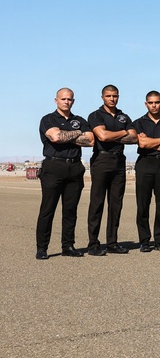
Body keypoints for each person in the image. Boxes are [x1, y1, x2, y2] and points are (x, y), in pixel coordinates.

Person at [36, 88, 93, 259]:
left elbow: (90, 140)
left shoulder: (80, 120)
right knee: (48, 209)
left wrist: (66, 134)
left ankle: (68, 246)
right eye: (63, 99)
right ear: (56, 100)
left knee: (70, 210)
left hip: (74, 168)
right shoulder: (48, 119)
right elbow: (55, 138)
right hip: (54, 167)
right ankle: (42, 248)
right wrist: (77, 134)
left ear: (73, 101)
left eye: (69, 99)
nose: (66, 102)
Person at [85, 84, 137, 255]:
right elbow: (102, 136)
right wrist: (122, 133)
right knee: (97, 202)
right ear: (102, 97)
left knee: (116, 203)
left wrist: (115, 134)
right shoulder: (95, 115)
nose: (112, 99)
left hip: (119, 161)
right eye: (108, 96)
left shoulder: (123, 116)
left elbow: (134, 137)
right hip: (102, 159)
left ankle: (112, 242)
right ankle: (93, 243)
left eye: (115, 96)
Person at [134, 91, 160, 252]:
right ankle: (144, 240)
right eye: (150, 102)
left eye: (157, 102)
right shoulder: (139, 123)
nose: (154, 105)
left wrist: (150, 142)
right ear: (146, 104)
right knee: (143, 204)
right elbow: (142, 144)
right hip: (145, 164)